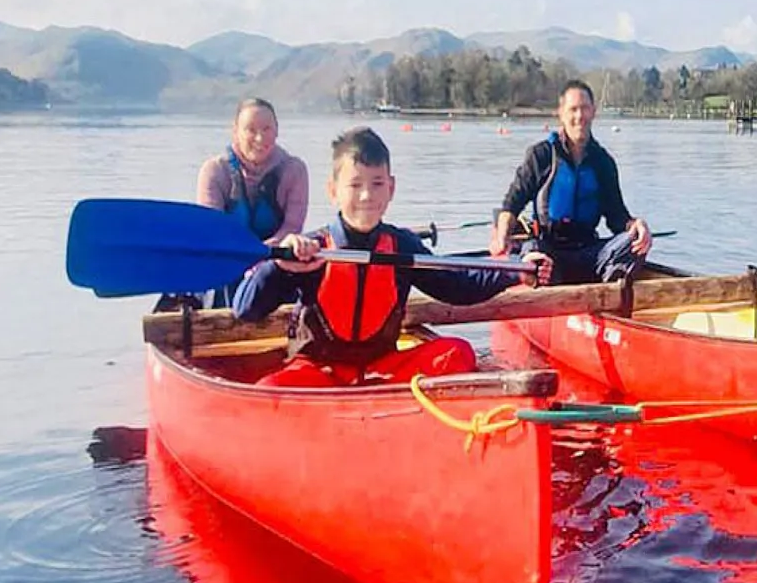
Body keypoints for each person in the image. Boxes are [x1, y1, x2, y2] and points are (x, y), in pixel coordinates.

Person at [232, 126, 553, 388]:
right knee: (271, 388)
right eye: (355, 184)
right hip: (319, 374)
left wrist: (516, 271)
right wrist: (280, 266)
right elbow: (246, 309)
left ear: (391, 189)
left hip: (380, 371)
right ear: (333, 191)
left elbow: (458, 285)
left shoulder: (401, 246)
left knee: (457, 352)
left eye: (377, 184)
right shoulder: (312, 248)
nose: (367, 195)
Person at [489, 80, 651, 284]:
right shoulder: (541, 155)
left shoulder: (604, 162)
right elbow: (511, 205)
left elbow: (617, 217)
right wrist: (502, 237)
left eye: (584, 109)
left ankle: (609, 291)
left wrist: (637, 226)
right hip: (548, 249)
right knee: (534, 256)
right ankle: (544, 284)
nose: (579, 116)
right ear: (561, 113)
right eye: (573, 109)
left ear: (593, 111)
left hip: (588, 252)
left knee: (633, 241)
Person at [194, 97, 311, 308]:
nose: (260, 138)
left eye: (267, 129)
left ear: (277, 131)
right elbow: (212, 229)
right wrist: (246, 257)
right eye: (250, 129)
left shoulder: (294, 170)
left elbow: (292, 227)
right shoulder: (214, 171)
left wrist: (262, 258)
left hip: (274, 262)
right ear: (235, 131)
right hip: (227, 261)